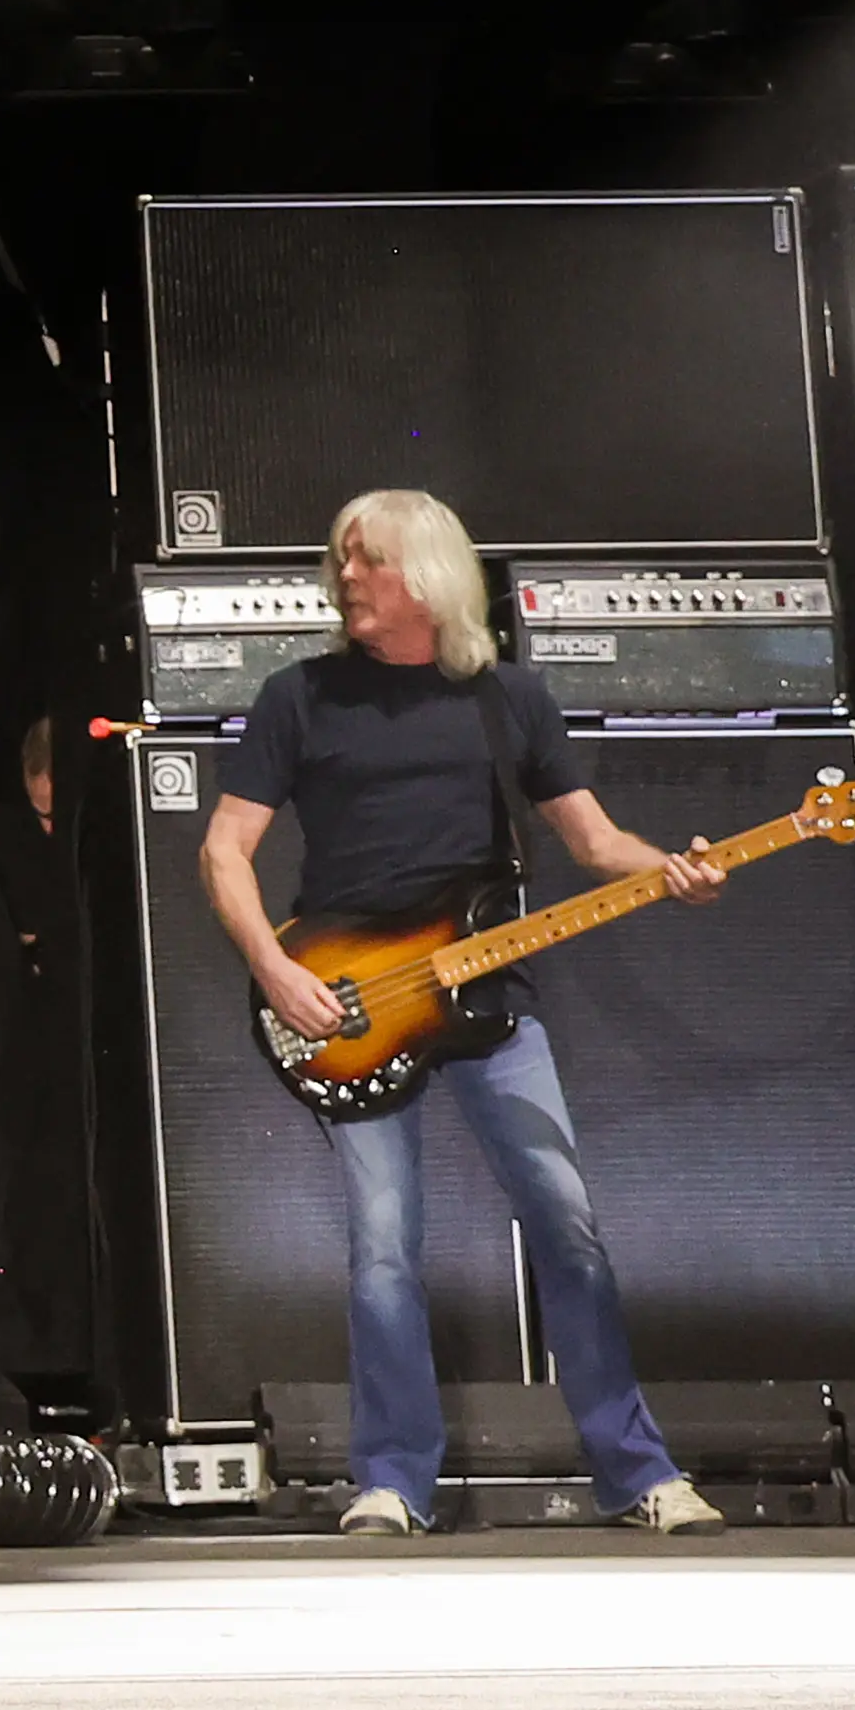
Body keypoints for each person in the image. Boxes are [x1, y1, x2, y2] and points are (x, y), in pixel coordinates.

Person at [197, 488, 728, 1541]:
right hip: (348, 996)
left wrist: (672, 868)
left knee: (566, 1226)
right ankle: (390, 1480)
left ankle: (635, 1471)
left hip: (489, 996)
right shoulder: (297, 695)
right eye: (339, 561)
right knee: (384, 1248)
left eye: (369, 561)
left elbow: (591, 841)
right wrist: (272, 970)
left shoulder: (507, 698)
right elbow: (223, 848)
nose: (345, 577)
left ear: (428, 576)